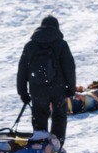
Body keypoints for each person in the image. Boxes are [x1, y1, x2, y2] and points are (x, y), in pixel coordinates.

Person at [16, 15, 76, 145]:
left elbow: (22, 71)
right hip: (58, 89)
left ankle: (40, 145)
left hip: (37, 89)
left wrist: (23, 93)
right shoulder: (61, 45)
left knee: (39, 115)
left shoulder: (30, 46)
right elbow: (69, 67)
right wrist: (71, 88)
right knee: (59, 116)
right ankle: (56, 146)